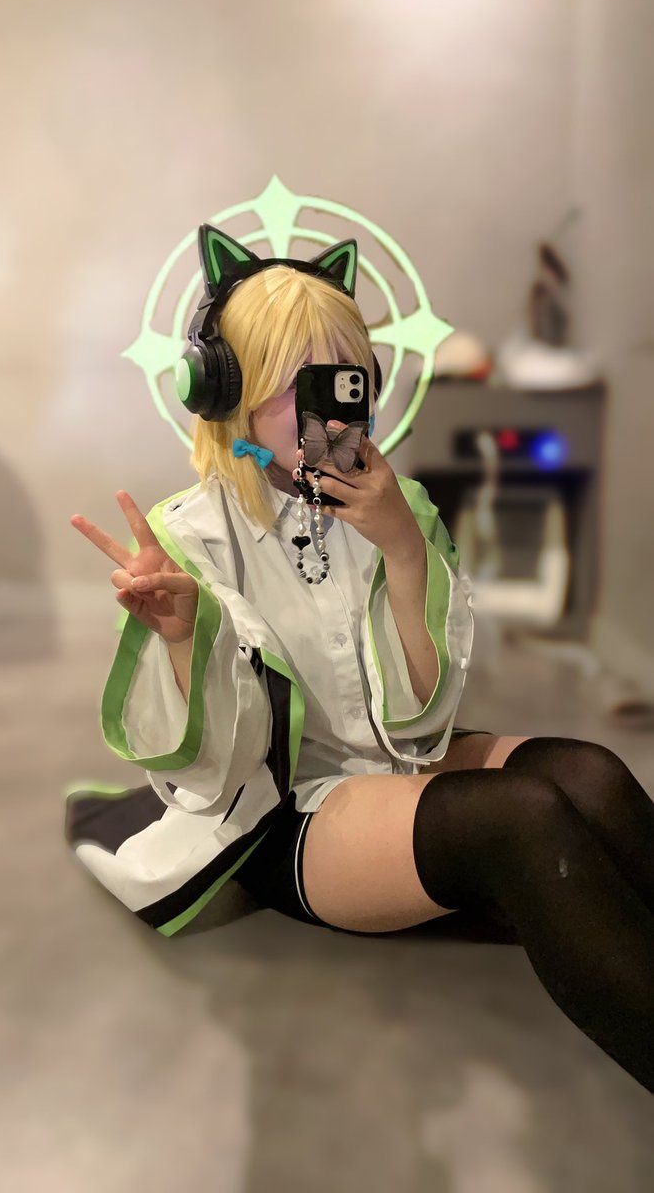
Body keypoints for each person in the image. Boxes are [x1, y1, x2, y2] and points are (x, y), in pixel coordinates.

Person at [68, 225, 654, 1094]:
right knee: (522, 816)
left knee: (592, 774)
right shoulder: (190, 536)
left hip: (394, 763)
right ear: (226, 392)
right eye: (298, 385)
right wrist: (187, 637)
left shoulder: (396, 503)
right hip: (283, 810)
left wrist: (403, 548)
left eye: (349, 379)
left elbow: (420, 722)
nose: (334, 410)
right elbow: (216, 768)